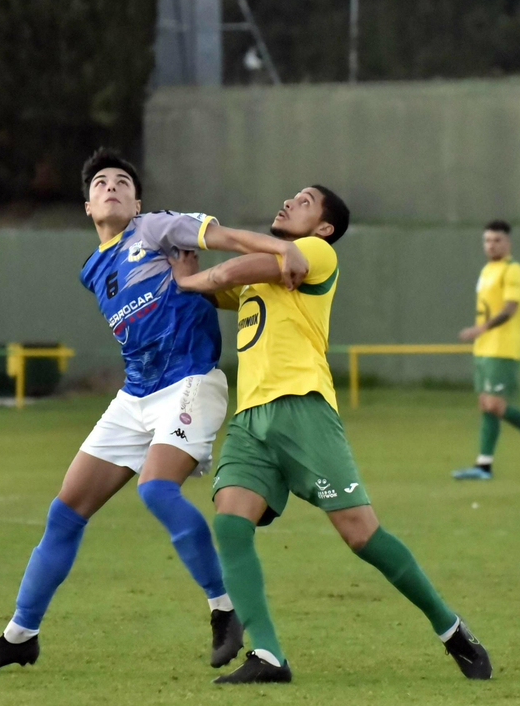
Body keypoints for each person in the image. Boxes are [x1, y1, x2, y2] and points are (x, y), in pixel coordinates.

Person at [0, 148, 310, 675]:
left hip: (190, 381)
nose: (111, 187)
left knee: (155, 488)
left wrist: (284, 253)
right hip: (136, 394)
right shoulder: (93, 269)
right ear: (87, 206)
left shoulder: (155, 229)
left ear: (138, 200)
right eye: (100, 182)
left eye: (122, 181)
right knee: (65, 512)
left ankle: (224, 607)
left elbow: (227, 239)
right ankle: (20, 635)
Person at [170, 185, 493, 684]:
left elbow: (229, 273)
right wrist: (172, 254)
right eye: (290, 197)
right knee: (231, 524)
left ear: (323, 227)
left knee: (361, 534)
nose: (287, 202)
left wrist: (193, 277)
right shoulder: (275, 261)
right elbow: (216, 289)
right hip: (252, 418)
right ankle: (269, 656)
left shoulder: (315, 253)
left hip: (303, 409)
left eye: (303, 201)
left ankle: (450, 629)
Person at [452, 220, 520, 480]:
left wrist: (482, 328)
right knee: (486, 404)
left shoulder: (513, 270)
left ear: (507, 242)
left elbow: (510, 308)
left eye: (497, 240)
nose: (491, 245)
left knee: (495, 403)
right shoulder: (488, 270)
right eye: (487, 240)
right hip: (485, 348)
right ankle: (484, 465)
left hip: (503, 346)